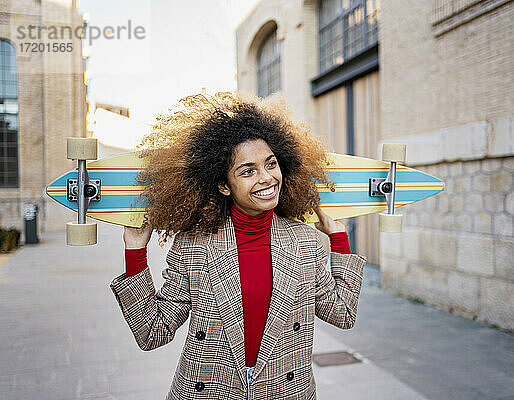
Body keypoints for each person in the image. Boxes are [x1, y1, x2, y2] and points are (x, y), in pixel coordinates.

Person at [110, 91, 366, 399]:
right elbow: (153, 332)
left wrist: (338, 238)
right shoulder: (194, 245)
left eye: (271, 164)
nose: (267, 178)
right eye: (248, 171)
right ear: (223, 185)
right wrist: (136, 252)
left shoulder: (305, 241)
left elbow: (342, 314)